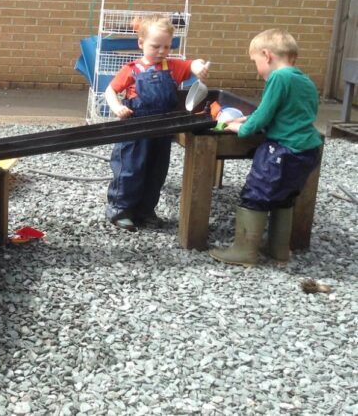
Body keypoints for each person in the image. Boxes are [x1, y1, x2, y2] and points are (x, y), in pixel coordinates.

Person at [210, 28, 322, 267]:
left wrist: (241, 128)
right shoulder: (305, 81)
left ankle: (244, 251)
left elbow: (265, 114)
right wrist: (248, 118)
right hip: (306, 150)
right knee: (284, 197)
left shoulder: (279, 78)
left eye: (256, 62)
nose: (257, 69)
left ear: (267, 55)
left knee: (255, 195)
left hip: (282, 150)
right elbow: (285, 113)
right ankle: (279, 250)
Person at [104, 14, 210, 232]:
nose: (161, 51)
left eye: (166, 46)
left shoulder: (172, 67)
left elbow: (192, 64)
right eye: (155, 46)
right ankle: (120, 209)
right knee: (130, 168)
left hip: (162, 129)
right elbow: (111, 90)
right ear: (141, 43)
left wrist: (199, 67)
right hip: (136, 127)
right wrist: (117, 107)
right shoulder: (132, 70)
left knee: (156, 171)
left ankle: (146, 210)